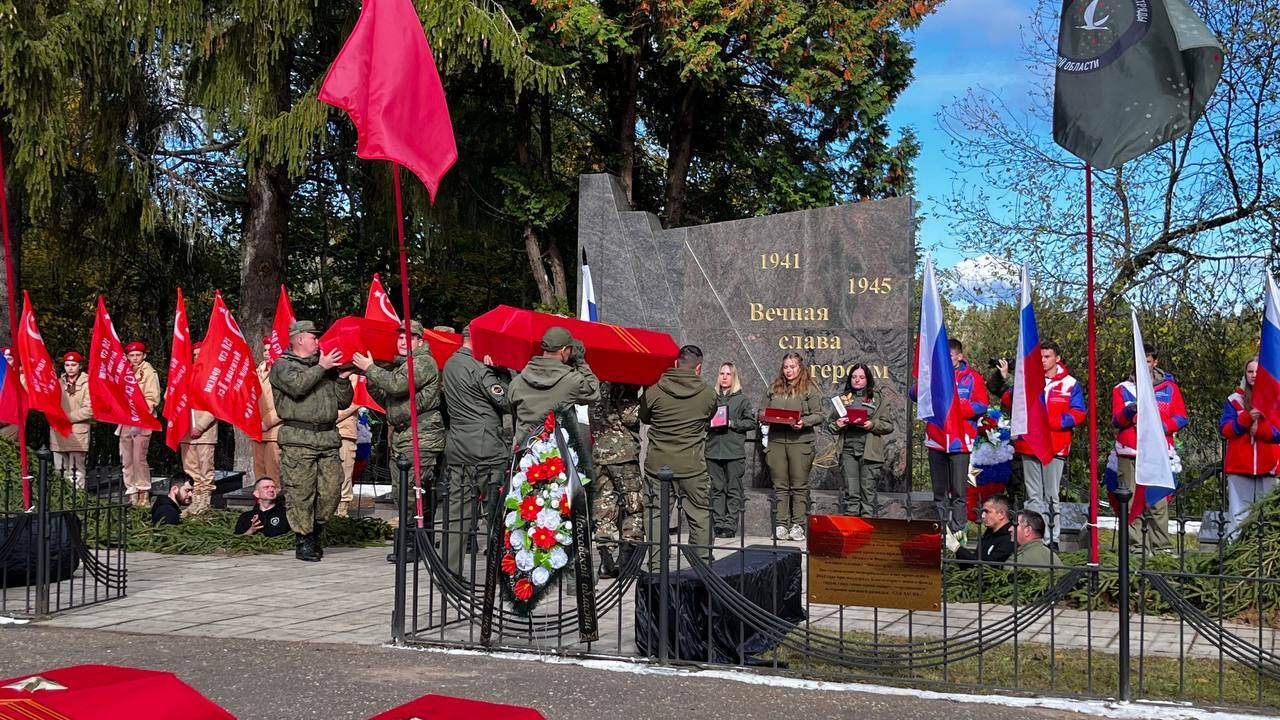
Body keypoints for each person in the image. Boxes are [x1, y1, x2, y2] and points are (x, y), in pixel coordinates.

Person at [270, 320, 355, 562]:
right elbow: (297, 387)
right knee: (301, 492)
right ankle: (304, 539)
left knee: (332, 490)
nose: (318, 341)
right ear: (299, 339)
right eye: (313, 337)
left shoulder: (324, 366)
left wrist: (342, 379)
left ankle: (316, 529)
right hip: (299, 439)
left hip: (327, 438)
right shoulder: (283, 365)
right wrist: (321, 367)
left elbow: (343, 402)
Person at [354, 320, 444, 520]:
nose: (403, 341)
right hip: (403, 435)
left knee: (412, 490)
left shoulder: (422, 362)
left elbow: (396, 385)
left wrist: (371, 368)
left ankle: (416, 533)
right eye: (401, 337)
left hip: (421, 435)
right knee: (400, 490)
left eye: (409, 337)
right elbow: (386, 399)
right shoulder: (403, 365)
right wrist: (371, 379)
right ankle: (409, 531)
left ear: (420, 342)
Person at [440, 323, 511, 575]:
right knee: (497, 514)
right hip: (487, 449)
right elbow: (506, 400)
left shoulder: (450, 364)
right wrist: (502, 373)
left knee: (457, 515)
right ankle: (501, 572)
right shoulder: (480, 367)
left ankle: (450, 572)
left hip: (459, 446)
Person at [640, 345, 717, 564]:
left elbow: (644, 417)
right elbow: (709, 416)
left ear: (676, 363)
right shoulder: (708, 394)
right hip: (692, 465)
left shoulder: (654, 391)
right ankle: (701, 566)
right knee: (700, 514)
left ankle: (657, 566)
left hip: (658, 465)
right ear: (698, 368)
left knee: (655, 514)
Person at [1112, 345, 1187, 552]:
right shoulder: (1122, 389)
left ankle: (1161, 546)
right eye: (1139, 361)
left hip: (1157, 451)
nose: (1143, 365)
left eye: (1147, 361)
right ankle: (1135, 546)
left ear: (1155, 362)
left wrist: (1161, 427)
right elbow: (1116, 421)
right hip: (1130, 451)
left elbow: (1181, 417)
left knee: (1157, 500)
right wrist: (1130, 411)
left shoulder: (1169, 388)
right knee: (1130, 500)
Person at [910, 338, 988, 533]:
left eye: (949, 356)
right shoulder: (934, 375)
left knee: (959, 492)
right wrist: (924, 380)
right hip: (937, 439)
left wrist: (956, 408)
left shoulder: (973, 378)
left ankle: (958, 531)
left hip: (959, 441)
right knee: (939, 491)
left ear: (959, 356)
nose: (945, 359)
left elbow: (981, 405)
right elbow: (913, 394)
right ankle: (941, 532)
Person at [1016, 342, 1084, 549]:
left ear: (1057, 358)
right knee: (1033, 495)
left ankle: (1052, 538)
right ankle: (1035, 538)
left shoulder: (1070, 383)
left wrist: (1051, 422)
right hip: (1030, 444)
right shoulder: (1027, 380)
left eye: (1047, 357)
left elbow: (1078, 413)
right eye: (1040, 357)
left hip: (1055, 445)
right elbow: (1011, 402)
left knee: (1051, 494)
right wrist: (1005, 379)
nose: (1043, 361)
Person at [761, 352, 825, 541]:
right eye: (786, 367)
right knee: (780, 485)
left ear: (800, 367)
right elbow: (761, 410)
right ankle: (781, 524)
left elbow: (819, 415)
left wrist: (804, 422)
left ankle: (798, 525)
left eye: (792, 367)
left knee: (798, 485)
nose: (789, 370)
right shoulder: (774, 387)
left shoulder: (809, 388)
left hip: (800, 442)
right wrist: (765, 417)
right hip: (776, 441)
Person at [1219, 358, 1279, 541]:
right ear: (1245, 374)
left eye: (1258, 371)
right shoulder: (1234, 400)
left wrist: (1262, 431)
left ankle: (1266, 552)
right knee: (1238, 516)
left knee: (1269, 515)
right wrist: (1246, 418)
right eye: (1250, 371)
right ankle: (1234, 550)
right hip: (1240, 465)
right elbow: (1226, 430)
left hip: (1269, 466)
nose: (1254, 375)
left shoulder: (1275, 399)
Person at [508, 326, 601, 440]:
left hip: (524, 447)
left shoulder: (517, 381)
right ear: (564, 350)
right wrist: (580, 362)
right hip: (555, 448)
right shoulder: (572, 381)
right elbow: (594, 393)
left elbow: (514, 411)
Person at [826, 363, 894, 518]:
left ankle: (867, 525)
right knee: (851, 491)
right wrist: (837, 424)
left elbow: (889, 425)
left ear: (867, 379)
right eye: (854, 377)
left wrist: (872, 424)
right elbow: (830, 425)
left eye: (861, 377)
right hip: (848, 450)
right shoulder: (842, 399)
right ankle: (852, 524)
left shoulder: (878, 399)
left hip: (869, 452)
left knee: (868, 492)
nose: (857, 380)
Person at [591, 383, 643, 577]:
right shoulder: (623, 384)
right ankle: (627, 561)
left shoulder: (598, 384)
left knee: (604, 507)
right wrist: (643, 401)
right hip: (622, 454)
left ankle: (606, 561)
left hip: (600, 453)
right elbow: (630, 417)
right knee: (633, 505)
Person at [706, 363, 755, 538]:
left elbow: (751, 422)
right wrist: (709, 423)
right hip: (713, 450)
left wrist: (732, 423)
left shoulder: (742, 400)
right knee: (717, 488)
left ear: (734, 377)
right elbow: (701, 420)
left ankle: (730, 525)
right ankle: (719, 523)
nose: (724, 377)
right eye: (721, 373)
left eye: (728, 374)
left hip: (733, 451)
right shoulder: (711, 398)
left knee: (733, 489)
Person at [120, 341, 162, 507]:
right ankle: (131, 491)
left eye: (138, 355)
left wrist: (140, 411)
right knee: (126, 458)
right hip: (125, 419)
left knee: (139, 457)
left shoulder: (149, 372)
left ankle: (143, 491)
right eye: (131, 355)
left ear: (144, 356)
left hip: (142, 419)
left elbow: (153, 397)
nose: (135, 358)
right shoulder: (124, 371)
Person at [180, 344, 219, 516]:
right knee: (191, 469)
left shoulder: (212, 376)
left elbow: (215, 406)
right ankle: (195, 502)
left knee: (205, 469)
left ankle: (205, 503)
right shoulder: (184, 375)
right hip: (186, 431)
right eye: (194, 354)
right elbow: (172, 398)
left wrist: (200, 426)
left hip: (204, 432)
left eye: (200, 354)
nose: (197, 357)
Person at [51, 351, 92, 485]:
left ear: (80, 366)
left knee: (76, 472)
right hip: (59, 431)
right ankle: (62, 496)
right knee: (59, 471)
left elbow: (90, 409)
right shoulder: (58, 383)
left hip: (78, 432)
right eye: (67, 365)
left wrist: (67, 417)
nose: (70, 368)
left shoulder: (88, 384)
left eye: (73, 365)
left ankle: (77, 496)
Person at [951, 494, 1015, 563]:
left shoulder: (1010, 538)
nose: (982, 516)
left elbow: (985, 565)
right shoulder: (989, 532)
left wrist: (957, 548)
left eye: (987, 512)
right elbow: (977, 559)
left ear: (1001, 514)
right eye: (982, 512)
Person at [253, 337, 283, 483]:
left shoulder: (282, 373)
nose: (266, 353)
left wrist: (266, 422)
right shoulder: (257, 371)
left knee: (273, 473)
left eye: (270, 350)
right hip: (256, 430)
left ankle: (274, 496)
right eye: (265, 350)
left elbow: (284, 403)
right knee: (259, 472)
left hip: (274, 430)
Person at [336, 382, 360, 518]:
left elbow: (357, 400)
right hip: (320, 433)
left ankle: (342, 514)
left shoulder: (355, 375)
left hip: (344, 432)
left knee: (344, 475)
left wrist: (327, 417)